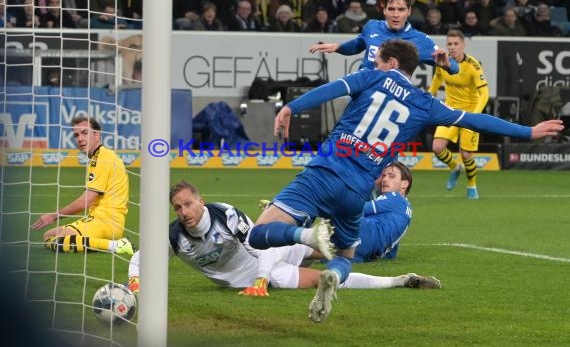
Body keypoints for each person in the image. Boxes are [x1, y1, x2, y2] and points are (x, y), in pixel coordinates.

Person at [247, 39, 563, 323]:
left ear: (392, 64)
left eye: (378, 61)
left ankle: (305, 236)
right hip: (357, 191)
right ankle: (331, 275)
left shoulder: (371, 76)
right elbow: (474, 119)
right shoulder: (425, 104)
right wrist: (528, 132)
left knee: (257, 235)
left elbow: (332, 89)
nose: (374, 65)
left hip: (323, 173)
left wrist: (290, 107)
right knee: (344, 256)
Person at [126, 181, 441, 295]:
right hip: (257, 272)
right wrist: (135, 279)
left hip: (265, 263)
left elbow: (258, 245)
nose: (183, 211)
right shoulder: (175, 235)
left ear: (200, 200)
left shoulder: (225, 215)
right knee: (324, 279)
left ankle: (347, 242)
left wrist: (261, 280)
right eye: (178, 207)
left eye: (188, 203)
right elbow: (143, 255)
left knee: (333, 251)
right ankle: (399, 281)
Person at [260, 161, 414, 263]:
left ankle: (289, 212)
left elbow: (357, 209)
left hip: (364, 233)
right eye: (384, 175)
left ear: (404, 184)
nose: (385, 179)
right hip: (364, 250)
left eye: (391, 176)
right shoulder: (406, 209)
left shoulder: (393, 197)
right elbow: (392, 247)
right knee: (318, 252)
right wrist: (380, 256)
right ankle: (290, 246)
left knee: (340, 194)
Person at [32, 117, 133, 255]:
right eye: (76, 135)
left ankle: (116, 245)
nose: (80, 138)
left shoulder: (102, 158)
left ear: (97, 135)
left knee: (58, 241)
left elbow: (84, 202)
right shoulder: (99, 157)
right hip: (97, 219)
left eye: (85, 133)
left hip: (107, 222)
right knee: (49, 235)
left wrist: (53, 216)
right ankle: (112, 243)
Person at [308, 0, 460, 74]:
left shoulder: (420, 39)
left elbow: (455, 67)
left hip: (390, 99)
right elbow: (358, 44)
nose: (395, 14)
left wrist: (447, 65)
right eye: (391, 9)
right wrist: (339, 48)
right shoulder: (372, 26)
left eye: (401, 10)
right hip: (362, 91)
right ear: (384, 11)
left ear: (409, 12)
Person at [428, 30, 489, 199]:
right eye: (449, 44)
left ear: (463, 45)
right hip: (450, 110)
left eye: (456, 44)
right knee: (437, 148)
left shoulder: (473, 65)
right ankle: (455, 167)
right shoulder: (443, 62)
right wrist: (427, 101)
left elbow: (484, 93)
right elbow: (434, 85)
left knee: (467, 154)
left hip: (470, 112)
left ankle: (472, 186)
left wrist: (476, 114)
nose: (452, 47)